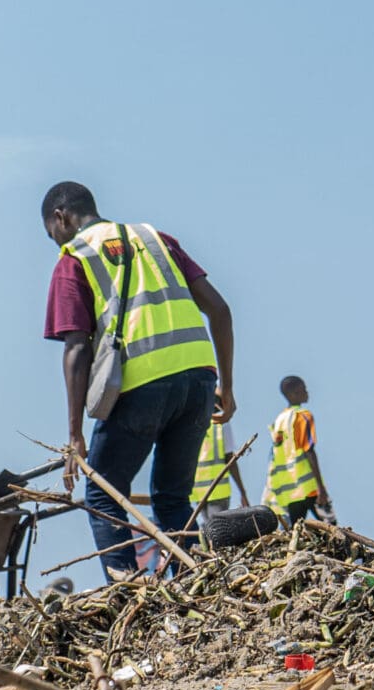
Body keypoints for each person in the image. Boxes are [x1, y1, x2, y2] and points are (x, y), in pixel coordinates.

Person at [40, 182, 238, 581]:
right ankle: (191, 585)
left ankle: (128, 591)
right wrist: (227, 385)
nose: (54, 241)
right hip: (199, 379)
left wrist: (75, 434)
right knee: (172, 497)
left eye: (51, 233)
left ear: (61, 218)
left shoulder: (75, 257)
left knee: (102, 493)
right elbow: (219, 309)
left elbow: (76, 348)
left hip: (140, 385)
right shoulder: (155, 239)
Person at [267, 376, 332, 523]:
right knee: (333, 529)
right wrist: (321, 487)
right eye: (304, 389)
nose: (307, 392)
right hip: (309, 486)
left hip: (290, 489)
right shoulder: (303, 416)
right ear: (293, 394)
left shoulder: (279, 420)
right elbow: (309, 450)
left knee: (296, 529)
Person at [189, 421, 248, 514]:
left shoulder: (193, 421)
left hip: (199, 492)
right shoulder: (222, 424)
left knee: (209, 527)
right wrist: (243, 492)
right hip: (217, 492)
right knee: (217, 527)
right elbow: (230, 461)